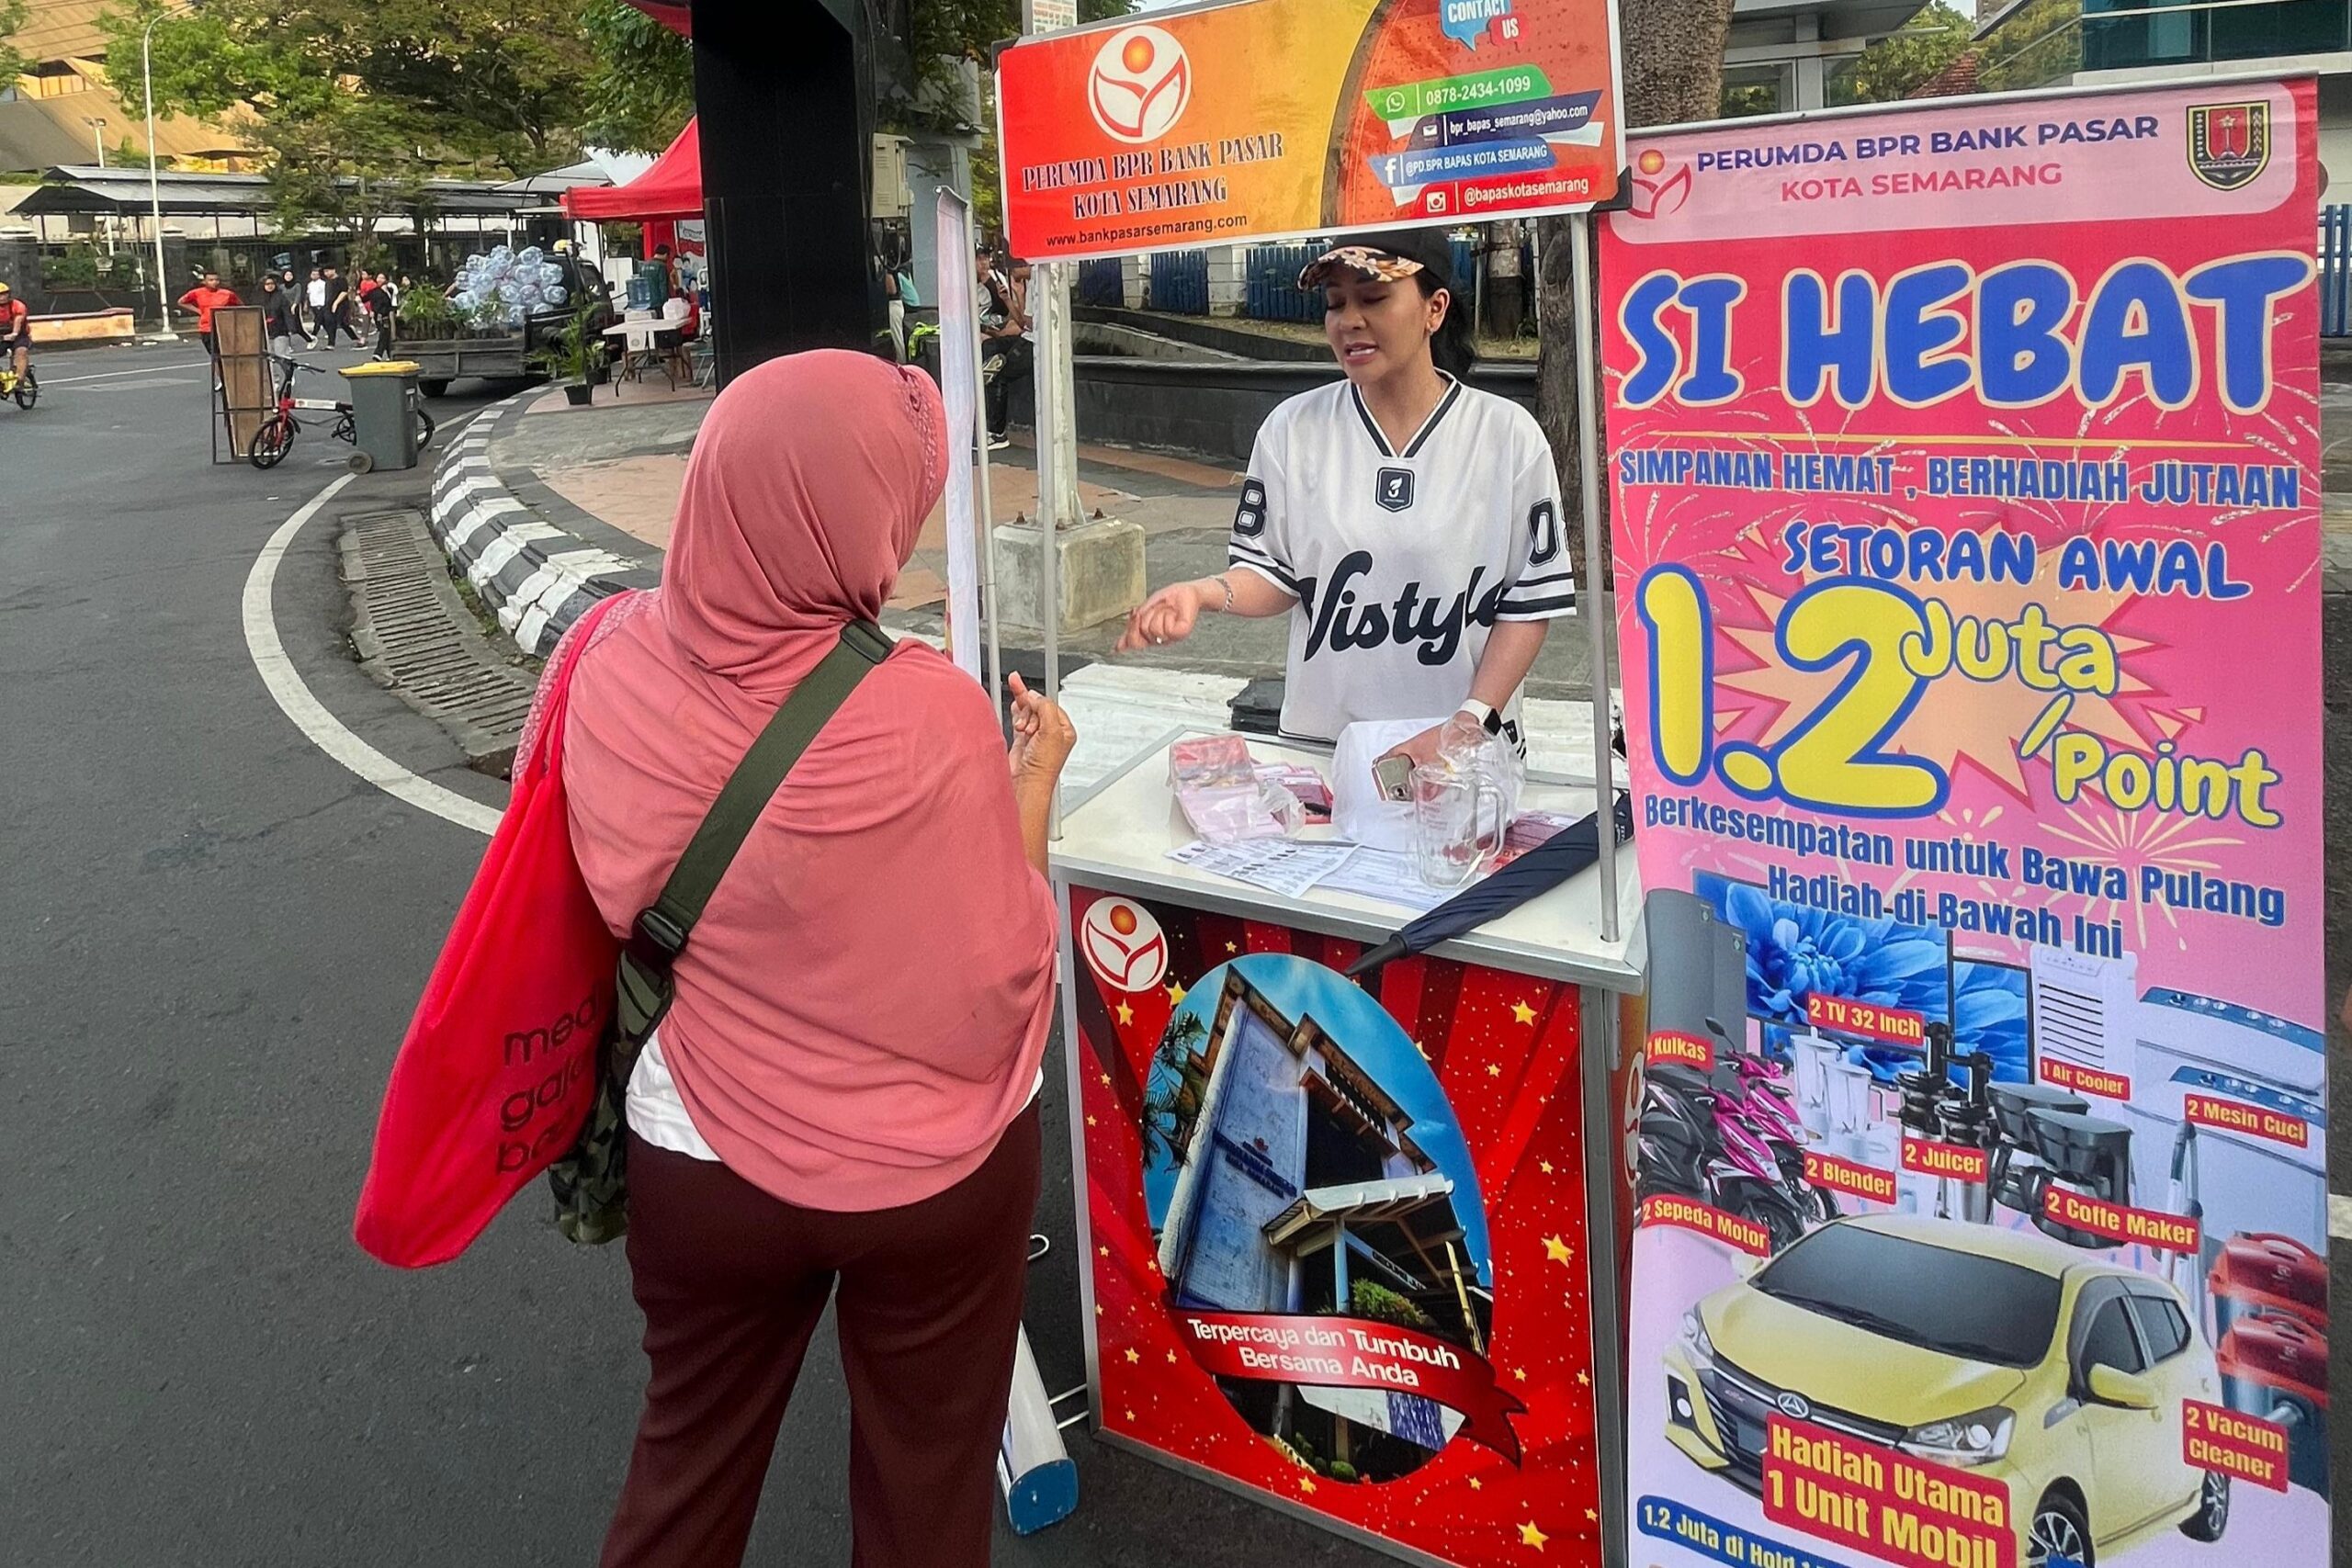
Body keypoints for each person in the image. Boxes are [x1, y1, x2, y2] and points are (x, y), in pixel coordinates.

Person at [546, 348, 1074, 1568]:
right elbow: (1004, 977)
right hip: (935, 1187)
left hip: (702, 1161)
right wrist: (1031, 777)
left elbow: (616, 892)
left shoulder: (606, 665)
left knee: (686, 1472)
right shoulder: (929, 708)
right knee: (924, 1491)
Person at [1119, 230, 1571, 768]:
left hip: (1463, 764)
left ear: (1435, 308)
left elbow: (1529, 602)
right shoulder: (1292, 429)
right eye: (1336, 303)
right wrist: (1202, 592)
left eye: (1374, 298)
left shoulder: (1507, 436)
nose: (1348, 320)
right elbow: (1277, 575)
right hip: (1326, 754)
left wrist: (1468, 723)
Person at [977, 248, 1029, 451]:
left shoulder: (1039, 285)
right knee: (991, 344)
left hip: (1031, 343)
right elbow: (1022, 321)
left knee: (999, 377)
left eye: (1014, 266)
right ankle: (989, 364)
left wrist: (1019, 295)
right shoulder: (1026, 286)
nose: (1011, 271)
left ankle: (998, 433)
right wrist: (1011, 298)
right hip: (1024, 336)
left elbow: (1025, 325)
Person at [175, 269, 243, 357]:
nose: (214, 282)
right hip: (206, 327)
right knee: (213, 354)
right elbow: (181, 301)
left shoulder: (227, 294)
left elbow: (240, 305)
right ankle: (218, 369)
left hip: (223, 327)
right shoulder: (197, 293)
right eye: (211, 280)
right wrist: (198, 311)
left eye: (216, 280)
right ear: (204, 281)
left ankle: (225, 370)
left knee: (225, 353)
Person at [259, 273, 311, 366]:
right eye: (267, 284)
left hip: (280, 329)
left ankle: (289, 377)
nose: (270, 286)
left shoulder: (281, 297)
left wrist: (291, 328)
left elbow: (287, 313)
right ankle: (275, 379)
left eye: (272, 284)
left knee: (282, 356)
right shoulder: (259, 298)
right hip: (265, 331)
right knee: (269, 359)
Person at [0, 279, 28, 386]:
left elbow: (18, 320)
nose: (3, 297)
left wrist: (14, 334)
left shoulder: (17, 305)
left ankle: (20, 381)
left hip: (19, 335)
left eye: (5, 294)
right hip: (2, 337)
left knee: (21, 351)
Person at [318, 265, 353, 349]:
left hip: (341, 305)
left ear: (333, 270)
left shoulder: (341, 280)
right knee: (328, 322)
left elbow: (344, 292)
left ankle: (354, 337)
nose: (326, 273)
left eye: (328, 271)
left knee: (342, 322)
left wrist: (336, 303)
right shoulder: (328, 282)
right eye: (325, 272)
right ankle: (331, 343)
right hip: (328, 305)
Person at [305, 266, 327, 332]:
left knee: (318, 320)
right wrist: (306, 304)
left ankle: (314, 334)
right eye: (313, 274)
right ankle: (330, 333)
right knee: (321, 320)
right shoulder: (310, 284)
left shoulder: (323, 283)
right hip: (313, 304)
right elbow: (308, 294)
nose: (314, 276)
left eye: (316, 274)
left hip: (321, 304)